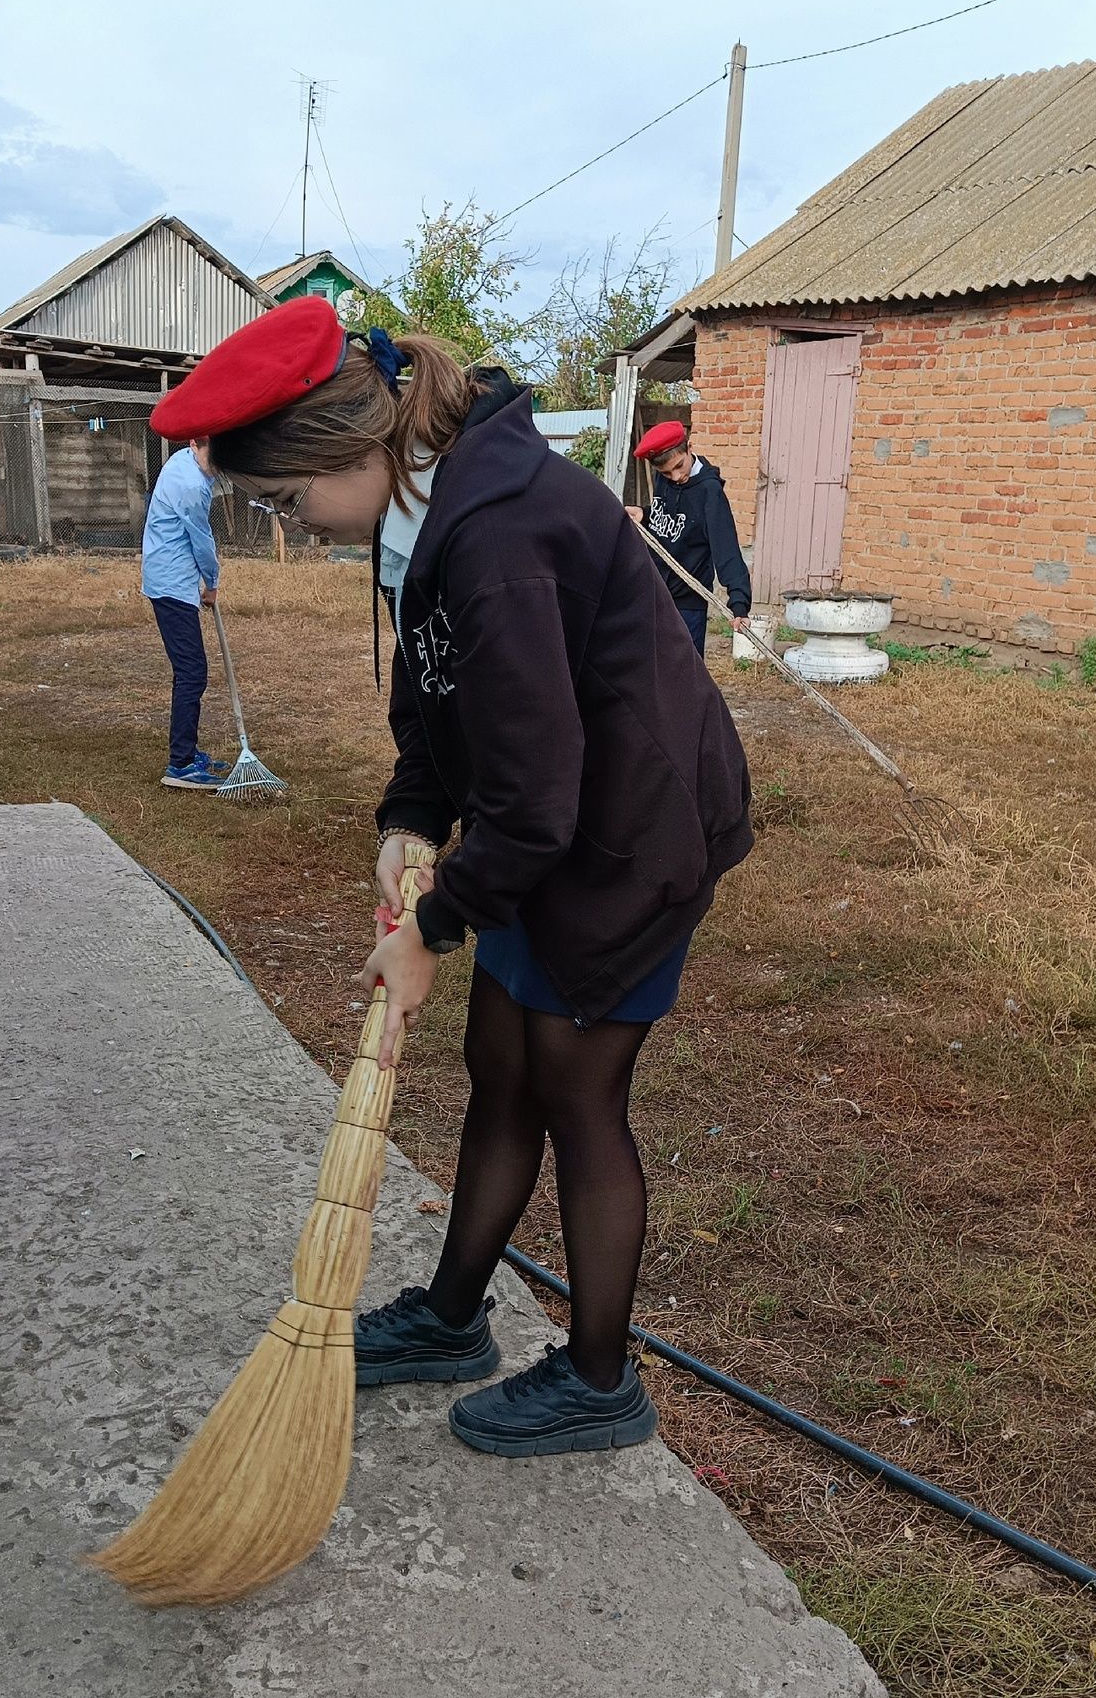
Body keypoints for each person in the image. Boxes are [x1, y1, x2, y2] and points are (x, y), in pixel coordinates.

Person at [150, 298, 753, 1458]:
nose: (298, 526)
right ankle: (450, 1317)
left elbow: (538, 800)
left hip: (630, 841)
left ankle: (596, 1380)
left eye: (289, 500)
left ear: (350, 450)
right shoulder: (427, 507)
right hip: (554, 833)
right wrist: (412, 812)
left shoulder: (496, 534)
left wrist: (433, 924)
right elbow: (432, 696)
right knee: (501, 1069)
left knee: (577, 1094)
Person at [141, 435, 226, 789]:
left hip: (167, 575)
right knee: (193, 672)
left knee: (187, 671)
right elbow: (201, 539)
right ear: (199, 446)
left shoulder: (184, 461)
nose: (219, 468)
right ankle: (181, 764)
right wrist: (212, 582)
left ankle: (187, 750)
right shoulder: (192, 484)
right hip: (171, 584)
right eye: (217, 458)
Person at [624, 420, 752, 653]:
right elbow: (670, 520)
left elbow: (726, 550)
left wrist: (739, 602)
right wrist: (645, 514)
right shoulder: (666, 478)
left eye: (679, 466)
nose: (675, 476)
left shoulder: (709, 493)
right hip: (656, 591)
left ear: (689, 448)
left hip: (687, 603)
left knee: (685, 673)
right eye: (665, 473)